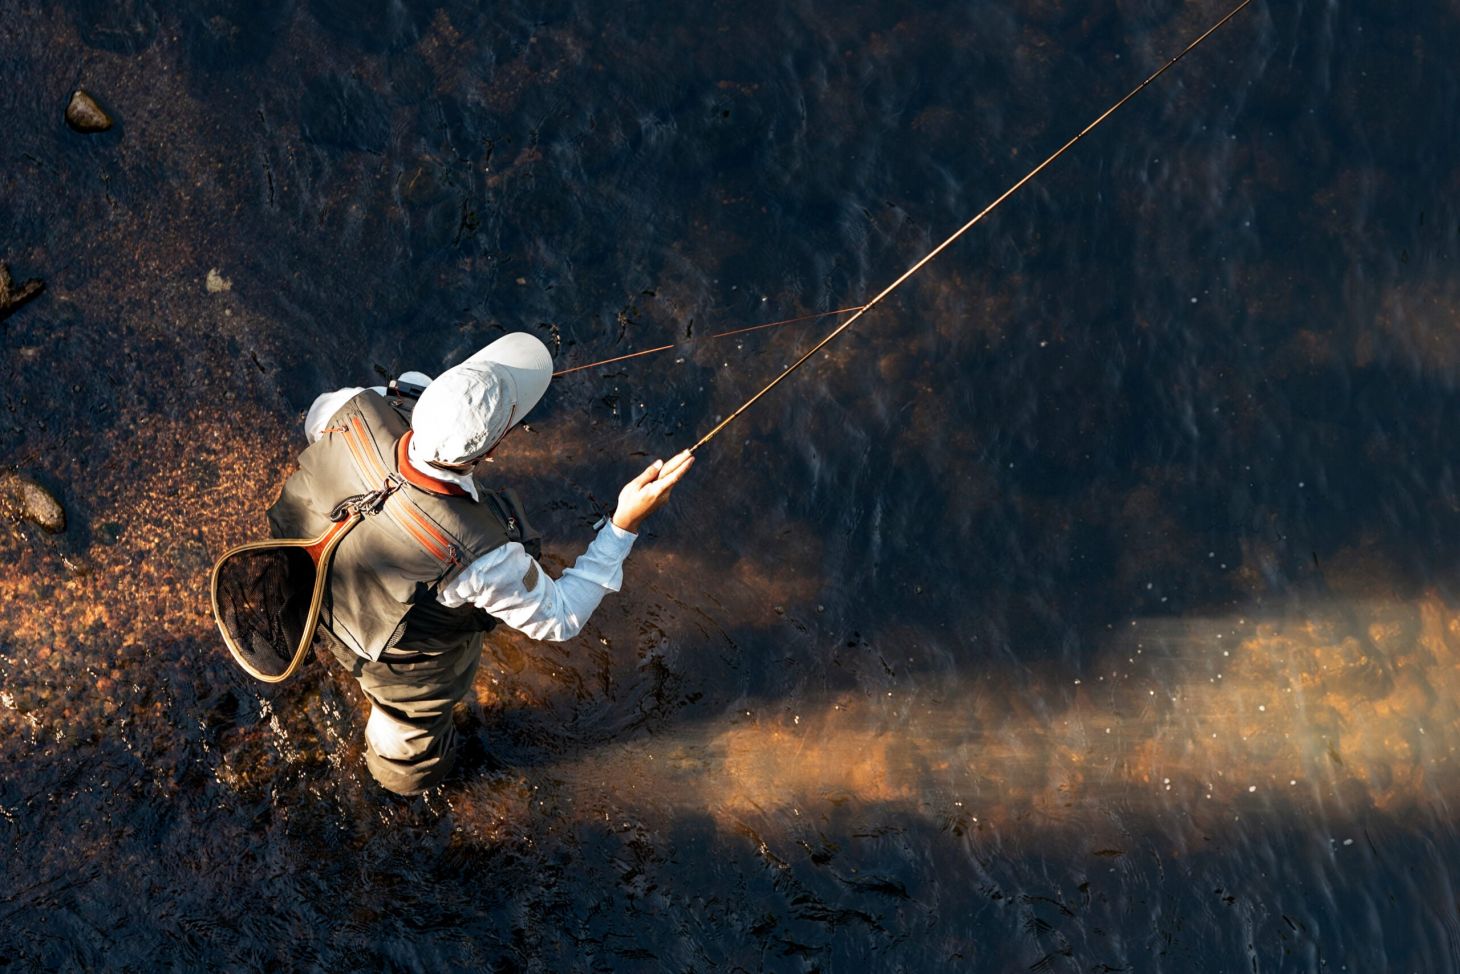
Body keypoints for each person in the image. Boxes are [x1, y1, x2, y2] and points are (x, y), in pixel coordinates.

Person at [266, 333, 693, 795]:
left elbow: (317, 425)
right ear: (489, 453)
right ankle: (395, 791)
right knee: (408, 749)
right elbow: (562, 618)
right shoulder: (481, 558)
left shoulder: (354, 406)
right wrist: (623, 524)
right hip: (397, 664)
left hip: (307, 584)